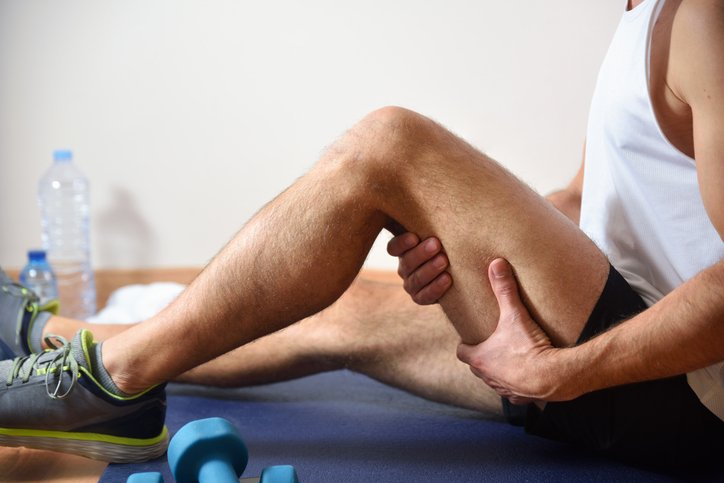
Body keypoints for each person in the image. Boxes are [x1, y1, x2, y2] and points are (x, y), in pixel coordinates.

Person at [1, 0, 722, 469]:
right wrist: (460, 226)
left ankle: (112, 382)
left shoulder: (705, 21)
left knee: (389, 146)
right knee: (336, 311)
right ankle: (55, 340)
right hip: (632, 314)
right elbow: (581, 195)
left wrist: (566, 371)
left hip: (690, 392)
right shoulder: (640, 10)